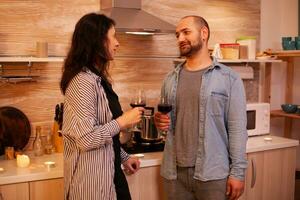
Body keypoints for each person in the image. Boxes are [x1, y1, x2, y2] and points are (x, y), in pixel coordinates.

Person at [154, 15, 248, 200]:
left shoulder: (229, 78)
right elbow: (169, 126)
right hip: (174, 174)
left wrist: (238, 172)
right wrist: (160, 123)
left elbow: (237, 129)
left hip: (213, 174)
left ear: (204, 33)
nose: (180, 38)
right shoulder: (170, 79)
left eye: (186, 32)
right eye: (177, 34)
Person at [60, 13, 143, 200]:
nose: (117, 43)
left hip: (112, 177)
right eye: (113, 36)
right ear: (96, 41)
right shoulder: (82, 82)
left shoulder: (98, 80)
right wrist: (123, 121)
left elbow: (106, 135)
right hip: (92, 186)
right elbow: (87, 139)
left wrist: (123, 157)